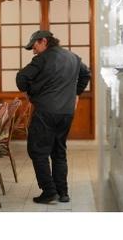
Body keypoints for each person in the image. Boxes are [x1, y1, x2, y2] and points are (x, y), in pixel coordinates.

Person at [16, 30, 91, 204]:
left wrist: (29, 91)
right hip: (66, 112)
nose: (34, 51)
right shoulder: (73, 57)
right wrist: (76, 94)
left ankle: (49, 191)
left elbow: (21, 78)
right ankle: (63, 192)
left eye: (34, 46)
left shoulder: (42, 59)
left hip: (45, 112)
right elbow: (86, 74)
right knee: (59, 151)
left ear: (44, 41)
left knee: (37, 150)